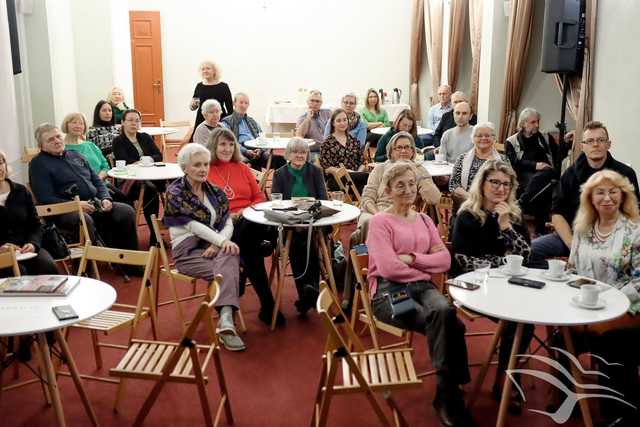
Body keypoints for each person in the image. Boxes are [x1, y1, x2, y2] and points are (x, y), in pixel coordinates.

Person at [366, 162, 473, 427]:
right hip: (389, 292)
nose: (407, 189)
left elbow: (445, 261)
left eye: (411, 184)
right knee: (451, 323)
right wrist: (424, 261)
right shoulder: (379, 222)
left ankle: (445, 393)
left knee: (444, 313)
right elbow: (388, 268)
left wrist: (411, 258)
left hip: (423, 287)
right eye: (400, 185)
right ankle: (449, 393)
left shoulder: (425, 220)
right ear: (388, 191)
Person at [558, 170, 640, 426]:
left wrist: (608, 304)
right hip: (587, 306)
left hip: (628, 309)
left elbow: (639, 282)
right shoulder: (582, 230)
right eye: (600, 192)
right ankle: (567, 398)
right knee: (561, 334)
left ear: (623, 196)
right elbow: (572, 271)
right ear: (590, 198)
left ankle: (618, 411)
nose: (607, 198)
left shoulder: (634, 232)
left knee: (610, 340)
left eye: (613, 192)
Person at [451, 160, 533, 414]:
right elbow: (463, 259)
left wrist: (506, 226)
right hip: (471, 286)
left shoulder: (513, 216)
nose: (500, 189)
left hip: (505, 285)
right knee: (513, 320)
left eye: (505, 184)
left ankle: (507, 377)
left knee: (525, 320)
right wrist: (502, 263)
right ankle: (506, 380)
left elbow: (526, 255)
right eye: (494, 182)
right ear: (482, 184)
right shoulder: (467, 215)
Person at [165, 143, 245, 351]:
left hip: (213, 245)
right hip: (187, 252)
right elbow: (192, 225)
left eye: (206, 164)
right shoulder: (175, 192)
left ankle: (226, 321)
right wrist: (221, 242)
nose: (203, 169)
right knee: (230, 267)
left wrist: (219, 244)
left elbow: (227, 222)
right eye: (197, 165)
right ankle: (227, 318)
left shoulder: (215, 192)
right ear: (184, 168)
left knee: (229, 256)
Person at [530, 121, 640, 268]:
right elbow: (557, 214)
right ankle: (563, 276)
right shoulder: (570, 174)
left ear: (608, 144)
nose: (595, 144)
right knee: (531, 251)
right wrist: (574, 247)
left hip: (613, 239)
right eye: (590, 141)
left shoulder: (625, 174)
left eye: (600, 140)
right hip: (573, 236)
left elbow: (634, 214)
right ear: (582, 146)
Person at [205, 128, 283, 326]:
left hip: (249, 220)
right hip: (223, 226)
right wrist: (229, 215)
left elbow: (258, 197)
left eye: (231, 144)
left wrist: (246, 211)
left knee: (251, 235)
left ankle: (260, 296)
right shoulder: (205, 170)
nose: (227, 148)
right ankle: (267, 305)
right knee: (253, 250)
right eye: (222, 144)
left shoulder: (242, 167)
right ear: (213, 145)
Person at [28, 123, 138, 254]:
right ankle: (88, 265)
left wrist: (105, 198)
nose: (57, 141)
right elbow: (45, 197)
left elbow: (97, 181)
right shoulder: (38, 164)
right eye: (50, 140)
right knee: (85, 219)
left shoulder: (75, 155)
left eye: (58, 136)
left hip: (94, 202)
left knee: (126, 211)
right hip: (64, 211)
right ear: (41, 145)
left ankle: (129, 261)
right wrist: (76, 205)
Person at [271, 138, 327, 315]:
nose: (299, 155)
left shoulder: (315, 171)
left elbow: (323, 199)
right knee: (296, 241)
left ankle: (307, 292)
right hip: (289, 222)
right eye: (295, 152)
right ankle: (308, 289)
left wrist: (309, 215)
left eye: (303, 152)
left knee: (309, 239)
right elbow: (275, 201)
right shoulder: (280, 174)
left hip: (313, 220)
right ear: (288, 154)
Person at [360, 132, 440, 239]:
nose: (403, 151)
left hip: (405, 212)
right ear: (391, 151)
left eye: (407, 147)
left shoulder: (418, 170)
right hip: (377, 210)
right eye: (399, 148)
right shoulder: (380, 169)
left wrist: (416, 170)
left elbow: (434, 198)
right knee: (369, 221)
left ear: (412, 151)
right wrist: (379, 215)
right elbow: (367, 198)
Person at [505, 108, 568, 234]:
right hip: (524, 176)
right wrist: (535, 165)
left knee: (548, 173)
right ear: (523, 123)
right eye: (533, 122)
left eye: (537, 121)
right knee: (545, 189)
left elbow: (558, 156)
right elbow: (515, 163)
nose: (537, 125)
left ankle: (521, 203)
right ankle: (541, 230)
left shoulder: (544, 137)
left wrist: (566, 142)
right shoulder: (511, 141)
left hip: (547, 174)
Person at [0, 150, 58, 276]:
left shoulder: (21, 191)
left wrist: (32, 243)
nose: (0, 168)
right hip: (1, 254)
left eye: (1, 163)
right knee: (18, 272)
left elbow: (36, 225)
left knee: (48, 266)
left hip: (25, 248)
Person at [112, 109, 164, 246]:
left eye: (137, 120)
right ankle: (155, 235)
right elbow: (124, 160)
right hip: (130, 181)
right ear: (122, 122)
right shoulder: (118, 141)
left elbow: (159, 155)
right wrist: (144, 161)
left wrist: (147, 160)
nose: (134, 123)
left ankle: (166, 228)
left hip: (150, 175)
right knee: (151, 190)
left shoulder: (145, 137)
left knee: (173, 184)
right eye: (130, 120)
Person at [221, 92, 285, 170]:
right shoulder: (226, 122)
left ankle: (279, 182)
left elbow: (262, 137)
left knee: (280, 160)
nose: (243, 105)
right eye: (241, 102)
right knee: (251, 163)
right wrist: (246, 151)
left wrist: (260, 150)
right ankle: (256, 181)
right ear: (234, 103)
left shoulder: (252, 121)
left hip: (258, 152)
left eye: (246, 103)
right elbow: (230, 143)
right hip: (241, 153)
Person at [449, 122, 503, 211]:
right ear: (473, 139)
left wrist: (488, 201)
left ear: (494, 138)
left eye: (487, 135)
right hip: (467, 204)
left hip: (494, 206)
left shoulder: (502, 160)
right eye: (479, 135)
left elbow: (509, 184)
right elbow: (454, 185)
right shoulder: (462, 159)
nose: (483, 138)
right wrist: (473, 199)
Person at [320, 108, 368, 192]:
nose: (342, 123)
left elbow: (362, 162)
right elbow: (326, 168)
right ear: (333, 123)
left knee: (367, 189)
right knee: (370, 181)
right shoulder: (327, 143)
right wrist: (343, 172)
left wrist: (357, 173)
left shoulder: (353, 140)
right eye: (338, 121)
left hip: (356, 178)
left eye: (345, 120)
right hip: (337, 179)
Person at [189, 60, 233, 137]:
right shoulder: (199, 86)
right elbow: (193, 107)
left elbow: (230, 109)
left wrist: (228, 124)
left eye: (208, 68)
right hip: (201, 120)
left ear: (214, 71)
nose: (205, 71)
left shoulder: (223, 86)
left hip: (219, 120)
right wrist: (192, 105)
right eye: (203, 69)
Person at [61, 112, 110, 180]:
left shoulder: (91, 145)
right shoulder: (60, 148)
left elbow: (105, 167)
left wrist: (98, 179)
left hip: (100, 185)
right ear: (66, 125)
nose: (78, 126)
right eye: (74, 122)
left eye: (81, 123)